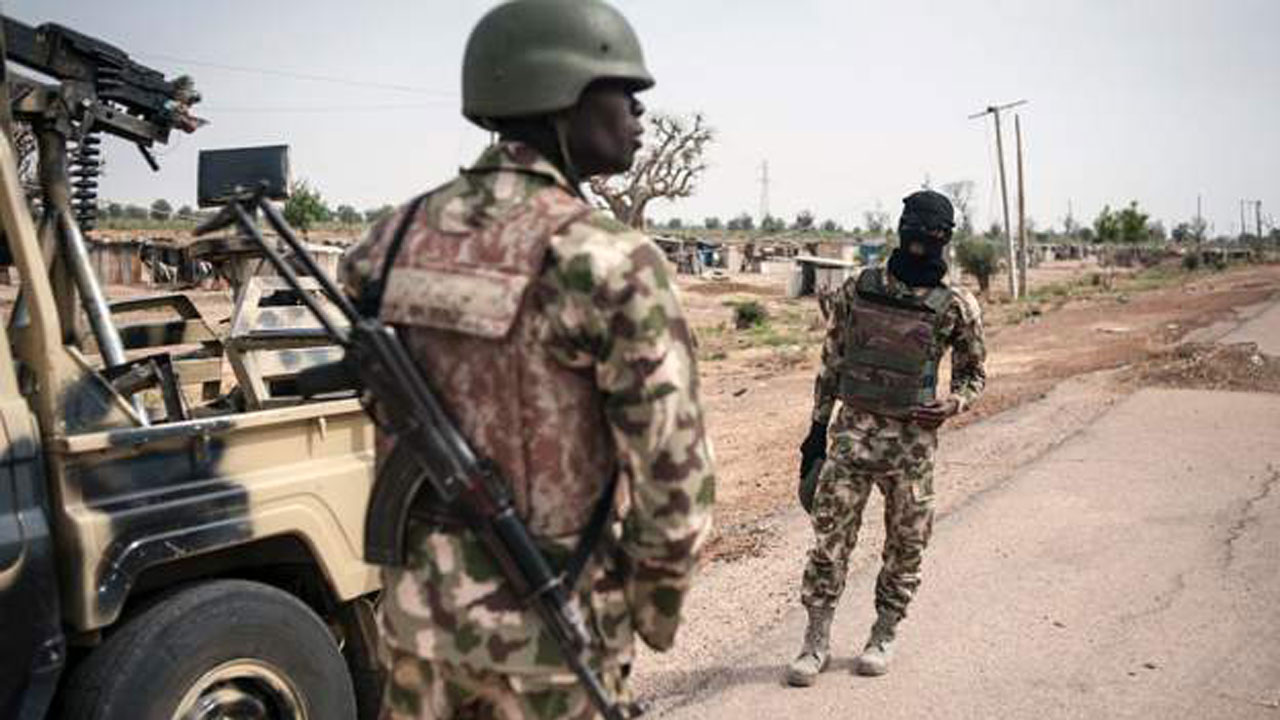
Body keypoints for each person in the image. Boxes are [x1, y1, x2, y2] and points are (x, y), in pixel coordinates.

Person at [339, 1, 715, 717]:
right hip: (554, 636)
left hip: (419, 626)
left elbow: (373, 397)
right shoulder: (607, 259)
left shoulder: (386, 242)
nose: (639, 112)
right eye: (623, 91)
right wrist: (650, 615)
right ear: (560, 96)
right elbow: (674, 478)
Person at [786, 190, 986, 686]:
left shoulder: (957, 304)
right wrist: (814, 436)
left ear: (945, 238)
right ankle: (815, 642)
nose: (920, 241)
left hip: (912, 450)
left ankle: (883, 635)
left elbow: (973, 375)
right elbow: (831, 363)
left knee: (906, 547)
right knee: (829, 546)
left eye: (931, 232)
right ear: (901, 228)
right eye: (913, 228)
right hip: (851, 439)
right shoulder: (859, 288)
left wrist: (953, 404)